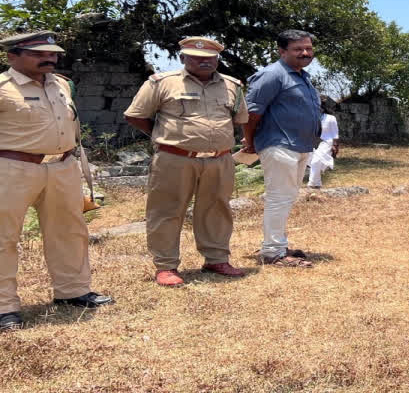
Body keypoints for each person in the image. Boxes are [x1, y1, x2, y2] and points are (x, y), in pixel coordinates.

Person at [0, 31, 114, 331]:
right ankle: (4, 307)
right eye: (38, 54)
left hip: (62, 166)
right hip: (12, 168)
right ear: (13, 56)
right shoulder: (2, 87)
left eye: (52, 53)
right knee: (3, 237)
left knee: (69, 231)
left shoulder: (62, 84)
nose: (48, 58)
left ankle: (73, 291)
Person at [124, 36, 250, 286]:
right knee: (167, 210)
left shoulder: (232, 86)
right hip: (175, 159)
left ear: (217, 59)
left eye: (210, 58)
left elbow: (239, 118)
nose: (204, 62)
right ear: (182, 58)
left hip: (219, 160)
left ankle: (216, 259)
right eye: (196, 57)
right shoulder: (161, 83)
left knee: (217, 209)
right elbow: (136, 116)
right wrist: (167, 137)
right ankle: (166, 266)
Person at [242, 30, 322, 268]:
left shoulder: (301, 76)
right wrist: (249, 141)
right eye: (298, 49)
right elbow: (252, 113)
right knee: (278, 198)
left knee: (286, 197)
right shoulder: (272, 75)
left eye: (308, 48)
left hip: (299, 146)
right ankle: (273, 252)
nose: (305, 53)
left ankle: (277, 245)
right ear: (282, 51)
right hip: (279, 145)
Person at [306, 98, 340, 189]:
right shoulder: (311, 118)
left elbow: (335, 133)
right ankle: (317, 184)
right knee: (312, 163)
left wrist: (335, 146)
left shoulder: (330, 118)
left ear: (322, 107)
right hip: (312, 143)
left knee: (316, 161)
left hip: (326, 144)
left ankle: (312, 184)